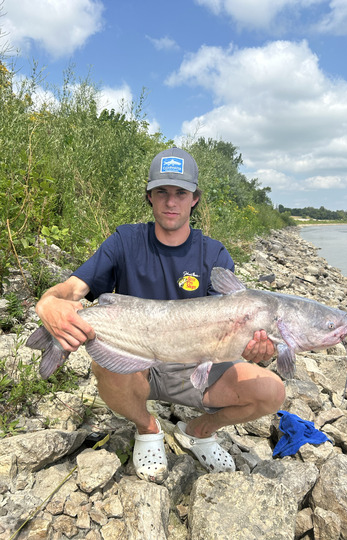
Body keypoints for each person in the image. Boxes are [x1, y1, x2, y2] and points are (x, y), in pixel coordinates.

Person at [35, 147, 285, 483]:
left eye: (180, 193)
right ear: (149, 197)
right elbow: (72, 289)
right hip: (137, 361)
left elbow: (225, 334)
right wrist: (49, 303)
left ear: (194, 198)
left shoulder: (214, 253)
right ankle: (147, 428)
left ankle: (198, 430)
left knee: (272, 392)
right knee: (104, 362)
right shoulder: (125, 241)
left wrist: (253, 349)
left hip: (195, 365)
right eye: (162, 192)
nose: (171, 202)